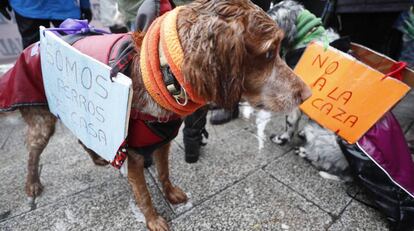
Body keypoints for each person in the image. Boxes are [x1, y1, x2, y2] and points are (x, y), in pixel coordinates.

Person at [0, 0, 92, 49]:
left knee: (34, 53)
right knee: (74, 49)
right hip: (64, 7)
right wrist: (85, 5)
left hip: (28, 6)